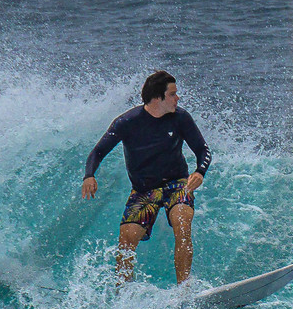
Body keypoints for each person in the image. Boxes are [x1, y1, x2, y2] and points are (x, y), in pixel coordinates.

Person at [81, 70, 211, 284]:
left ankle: (184, 290)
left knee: (182, 222)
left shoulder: (180, 118)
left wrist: (199, 171)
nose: (177, 98)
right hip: (144, 190)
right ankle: (122, 293)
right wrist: (89, 176)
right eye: (172, 94)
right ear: (157, 98)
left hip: (176, 184)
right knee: (126, 239)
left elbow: (203, 150)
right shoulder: (126, 122)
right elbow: (97, 152)